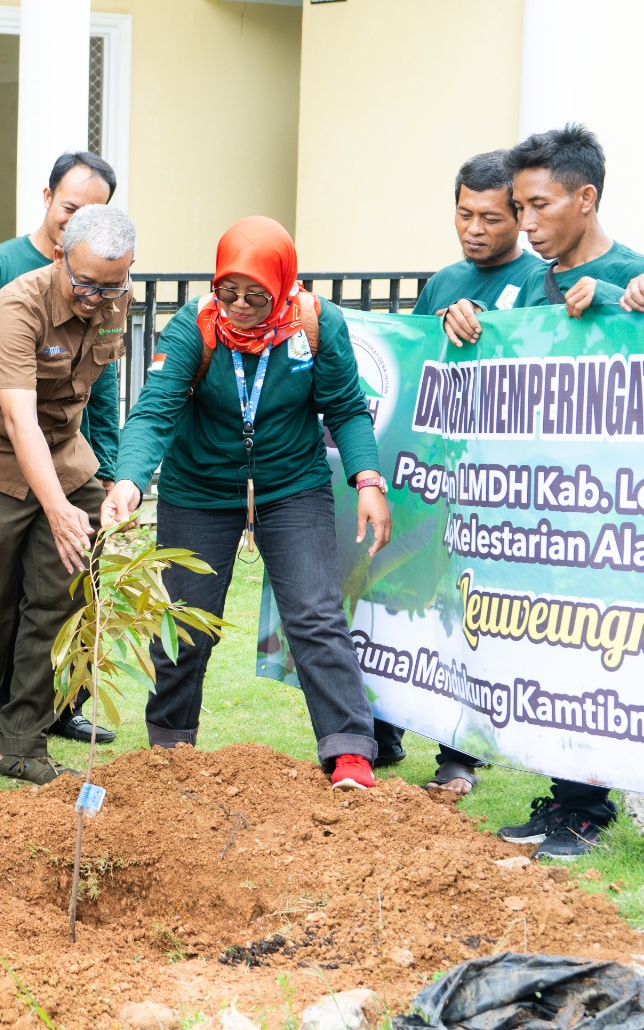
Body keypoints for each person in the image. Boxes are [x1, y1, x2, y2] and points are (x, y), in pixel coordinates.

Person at [104, 215, 388, 790]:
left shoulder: (315, 324)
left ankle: (350, 750)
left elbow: (347, 408)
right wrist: (130, 479)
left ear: (283, 286)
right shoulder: (195, 326)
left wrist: (368, 480)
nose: (238, 305)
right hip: (199, 487)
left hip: (291, 485)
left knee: (314, 613)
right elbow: (156, 409)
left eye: (255, 295)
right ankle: (170, 745)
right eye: (226, 291)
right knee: (185, 622)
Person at [445, 125, 639, 859]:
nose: (525, 224)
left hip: (609, 520)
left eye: (538, 206)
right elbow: (488, 353)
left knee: (605, 654)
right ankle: (567, 799)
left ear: (584, 199)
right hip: (535, 516)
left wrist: (627, 301)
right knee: (552, 656)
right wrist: (458, 321)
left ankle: (594, 807)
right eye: (517, 208)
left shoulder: (634, 273)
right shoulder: (529, 282)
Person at [0, 205, 134, 784]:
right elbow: (18, 421)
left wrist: (105, 483)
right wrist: (58, 510)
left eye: (109, 287)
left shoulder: (115, 295)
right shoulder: (17, 305)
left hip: (63, 452)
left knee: (61, 594)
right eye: (84, 284)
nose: (95, 299)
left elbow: (95, 392)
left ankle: (25, 740)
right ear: (58, 256)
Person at [372, 149, 542, 791]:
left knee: (468, 615)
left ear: (518, 217)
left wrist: (489, 331)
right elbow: (415, 364)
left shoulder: (536, 282)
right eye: (464, 213)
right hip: (433, 478)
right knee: (401, 596)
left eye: (492, 217)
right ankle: (380, 728)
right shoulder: (443, 281)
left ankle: (459, 757)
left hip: (495, 486)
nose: (475, 228)